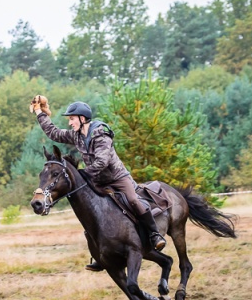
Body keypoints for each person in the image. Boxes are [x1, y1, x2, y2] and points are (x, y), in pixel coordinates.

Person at [30, 97, 166, 271]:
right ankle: (100, 254)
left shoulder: (101, 133)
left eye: (72, 119)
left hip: (117, 178)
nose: (70, 122)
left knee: (133, 200)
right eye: (69, 120)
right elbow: (53, 133)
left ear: (82, 118)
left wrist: (82, 175)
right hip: (98, 179)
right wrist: (39, 112)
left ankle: (154, 235)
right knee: (90, 211)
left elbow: (102, 162)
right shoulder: (76, 135)